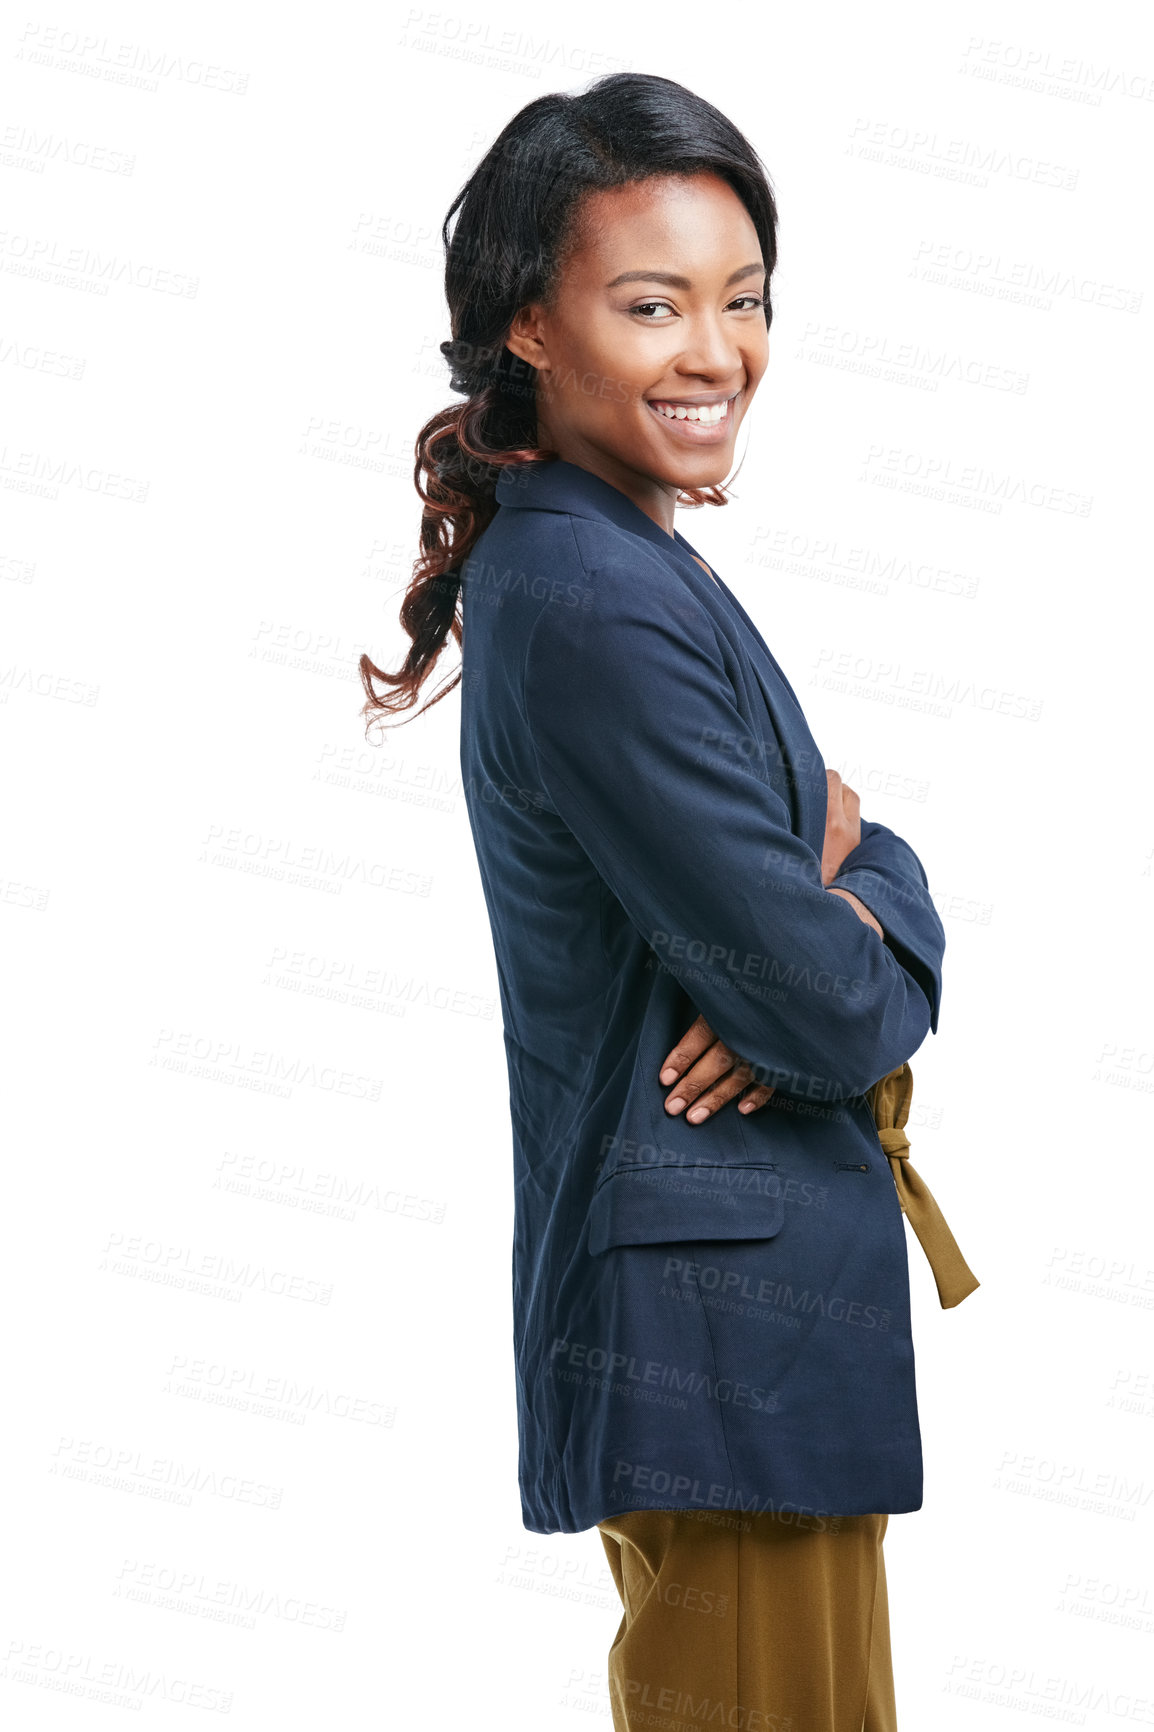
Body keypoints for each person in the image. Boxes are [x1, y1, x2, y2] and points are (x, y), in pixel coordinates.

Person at [360, 70, 974, 1732]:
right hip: (716, 1351)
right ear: (529, 328)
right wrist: (849, 882)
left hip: (732, 1346)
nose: (714, 352)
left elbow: (809, 938)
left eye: (743, 299)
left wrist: (837, 877)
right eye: (651, 305)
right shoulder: (593, 597)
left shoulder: (609, 558)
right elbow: (827, 1004)